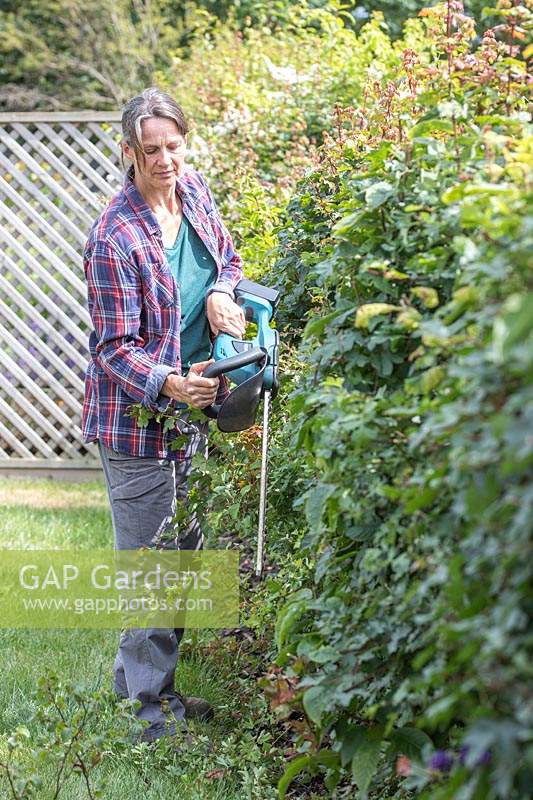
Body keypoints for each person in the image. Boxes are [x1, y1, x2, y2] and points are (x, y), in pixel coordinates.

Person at [81, 87, 246, 743]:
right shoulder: (113, 238)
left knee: (181, 556)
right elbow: (112, 348)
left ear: (186, 142)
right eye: (150, 150)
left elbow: (225, 258)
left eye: (173, 146)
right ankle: (148, 714)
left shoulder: (194, 190)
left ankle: (147, 691)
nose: (164, 160)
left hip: (192, 412)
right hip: (138, 422)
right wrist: (171, 384)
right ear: (128, 152)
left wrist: (220, 294)